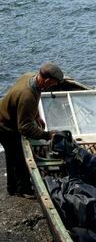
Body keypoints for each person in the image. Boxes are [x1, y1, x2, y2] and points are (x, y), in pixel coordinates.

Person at [0, 62, 64, 198]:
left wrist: (37, 116)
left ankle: (14, 188)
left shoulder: (30, 77)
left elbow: (36, 95)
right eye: (52, 84)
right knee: (17, 157)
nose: (53, 86)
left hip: (9, 114)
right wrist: (47, 135)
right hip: (4, 125)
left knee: (14, 155)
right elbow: (24, 127)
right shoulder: (27, 96)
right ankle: (21, 190)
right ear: (46, 80)